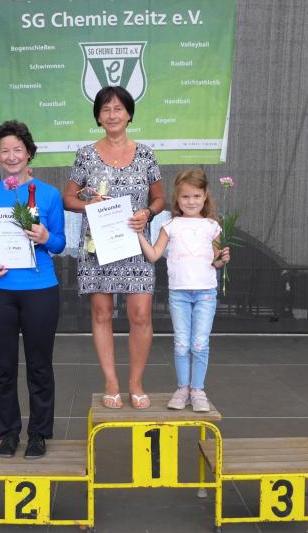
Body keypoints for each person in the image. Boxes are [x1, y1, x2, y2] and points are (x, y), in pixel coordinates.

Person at [62, 86, 165, 410]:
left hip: (136, 244)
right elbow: (68, 198)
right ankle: (111, 382)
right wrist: (89, 205)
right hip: (98, 247)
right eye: (105, 109)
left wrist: (147, 212)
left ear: (129, 114)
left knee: (141, 315)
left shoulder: (146, 154)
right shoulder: (85, 154)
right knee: (102, 313)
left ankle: (135, 383)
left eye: (118, 108)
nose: (112, 115)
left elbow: (160, 198)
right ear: (98, 117)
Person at [0, 120, 66, 459]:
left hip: (41, 290)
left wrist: (45, 237)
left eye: (17, 149)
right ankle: (8, 432)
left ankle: (39, 433)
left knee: (40, 365)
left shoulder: (49, 195)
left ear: (29, 153)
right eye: (4, 151)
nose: (11, 156)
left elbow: (60, 243)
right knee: (3, 365)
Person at [134, 169, 230, 412]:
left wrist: (222, 259)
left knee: (200, 344)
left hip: (205, 293)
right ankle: (182, 389)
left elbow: (216, 262)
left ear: (205, 196)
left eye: (196, 196)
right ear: (177, 198)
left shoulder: (212, 227)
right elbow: (154, 254)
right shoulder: (170, 226)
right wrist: (139, 235)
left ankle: (198, 390)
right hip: (179, 294)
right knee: (181, 343)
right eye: (185, 196)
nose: (191, 201)